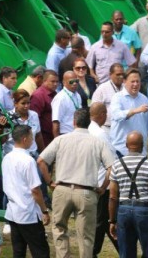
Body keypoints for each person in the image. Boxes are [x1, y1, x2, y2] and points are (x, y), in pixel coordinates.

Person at [37, 108, 115, 258]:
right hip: (86, 191)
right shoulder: (98, 142)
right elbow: (111, 167)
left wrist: (49, 182)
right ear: (89, 123)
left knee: (59, 229)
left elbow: (41, 161)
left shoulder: (61, 139)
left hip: (62, 188)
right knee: (86, 235)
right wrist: (103, 187)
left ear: (74, 122)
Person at [108, 131, 148, 258]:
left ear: (126, 145)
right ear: (142, 145)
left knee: (126, 253)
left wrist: (112, 220)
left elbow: (113, 196)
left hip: (123, 210)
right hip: (144, 210)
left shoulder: (117, 165)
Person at [2, 125, 51, 258]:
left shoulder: (6, 158)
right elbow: (35, 190)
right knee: (41, 251)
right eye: (31, 137)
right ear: (24, 139)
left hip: (13, 211)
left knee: (18, 251)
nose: (33, 140)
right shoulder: (28, 161)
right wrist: (44, 210)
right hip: (28, 213)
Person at [110, 68, 148, 158]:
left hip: (141, 151)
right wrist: (135, 111)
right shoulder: (117, 98)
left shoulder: (144, 99)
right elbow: (117, 116)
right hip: (121, 150)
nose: (135, 84)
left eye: (138, 81)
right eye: (132, 81)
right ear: (124, 81)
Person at [88, 103, 119, 257]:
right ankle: (92, 251)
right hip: (102, 183)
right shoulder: (100, 134)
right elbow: (111, 160)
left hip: (94, 180)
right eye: (105, 113)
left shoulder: (90, 130)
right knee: (102, 220)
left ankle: (123, 249)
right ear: (101, 114)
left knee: (106, 220)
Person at [92, 63, 125, 130]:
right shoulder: (102, 89)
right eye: (118, 74)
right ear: (110, 75)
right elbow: (94, 110)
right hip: (107, 127)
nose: (121, 77)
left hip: (123, 127)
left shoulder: (126, 88)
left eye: (122, 74)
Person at [30, 69, 58, 147]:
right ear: (44, 81)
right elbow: (34, 119)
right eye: (52, 81)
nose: (55, 84)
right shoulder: (38, 96)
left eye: (57, 82)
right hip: (44, 138)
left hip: (54, 136)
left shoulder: (55, 93)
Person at [51, 71, 82, 137]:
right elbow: (56, 123)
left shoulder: (77, 95)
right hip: (66, 134)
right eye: (71, 82)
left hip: (78, 133)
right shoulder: (60, 98)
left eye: (76, 81)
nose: (74, 83)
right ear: (64, 82)